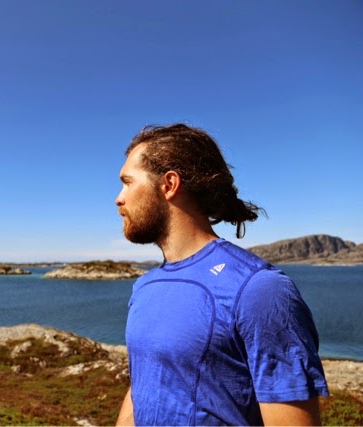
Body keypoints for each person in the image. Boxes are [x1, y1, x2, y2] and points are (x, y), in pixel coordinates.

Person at [114, 124, 329, 426]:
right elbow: (143, 383)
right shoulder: (145, 286)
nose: (119, 198)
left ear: (169, 184)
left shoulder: (260, 290)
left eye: (127, 182)